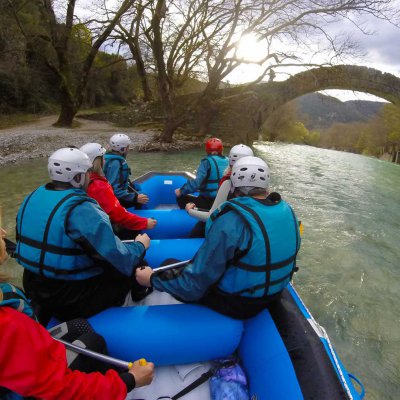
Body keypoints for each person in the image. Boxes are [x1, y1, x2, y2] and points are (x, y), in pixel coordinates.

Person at [136, 156, 301, 319]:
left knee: (168, 264)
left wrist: (152, 279)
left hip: (239, 303)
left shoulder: (232, 220)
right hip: (274, 294)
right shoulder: (288, 211)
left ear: (234, 184)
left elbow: (195, 282)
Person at [0, 228, 154, 400]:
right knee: (95, 342)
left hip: (30, 358)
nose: (4, 232)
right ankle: (117, 390)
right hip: (34, 389)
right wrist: (129, 381)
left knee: (79, 325)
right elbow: (59, 388)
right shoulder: (6, 325)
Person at [16, 148, 151, 324]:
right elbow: (118, 258)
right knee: (137, 264)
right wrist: (140, 246)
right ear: (79, 177)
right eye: (87, 172)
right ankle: (137, 306)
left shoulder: (32, 197)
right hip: (70, 298)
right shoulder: (80, 209)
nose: (89, 176)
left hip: (34, 287)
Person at [80, 143, 157, 239]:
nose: (105, 160)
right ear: (97, 161)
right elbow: (116, 213)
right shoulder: (99, 186)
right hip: (102, 229)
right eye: (103, 158)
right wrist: (144, 222)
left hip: (90, 226)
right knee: (130, 232)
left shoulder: (80, 180)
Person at [186, 144, 254, 223]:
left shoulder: (228, 183)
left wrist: (190, 211)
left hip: (228, 224)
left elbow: (211, 217)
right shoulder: (260, 186)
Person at [175, 137, 229, 210]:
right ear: (221, 149)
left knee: (180, 196)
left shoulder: (206, 162)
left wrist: (182, 191)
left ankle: (187, 217)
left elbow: (197, 183)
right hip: (223, 201)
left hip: (209, 202)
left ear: (207, 150)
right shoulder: (228, 160)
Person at [103, 133, 149, 208]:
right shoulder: (116, 163)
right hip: (114, 199)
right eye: (128, 147)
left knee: (136, 186)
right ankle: (140, 214)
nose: (129, 149)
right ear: (123, 149)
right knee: (143, 195)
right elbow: (113, 189)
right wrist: (134, 198)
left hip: (114, 194)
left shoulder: (108, 158)